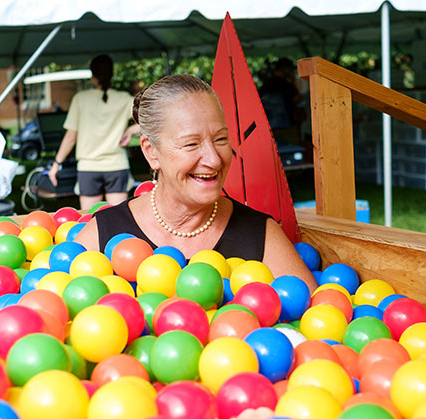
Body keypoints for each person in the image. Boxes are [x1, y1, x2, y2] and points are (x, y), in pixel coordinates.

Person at [73, 74, 316, 289]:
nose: (213, 159)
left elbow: (317, 317)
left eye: (221, 139)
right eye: (191, 144)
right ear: (151, 152)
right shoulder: (103, 234)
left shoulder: (260, 235)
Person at [48, 55, 139, 210]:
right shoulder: (124, 99)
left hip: (88, 168)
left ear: (93, 75)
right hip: (116, 166)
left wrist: (56, 164)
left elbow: (71, 137)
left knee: (90, 219)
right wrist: (131, 130)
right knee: (119, 219)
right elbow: (153, 118)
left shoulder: (80, 99)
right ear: (112, 74)